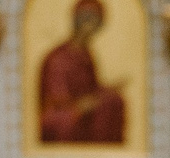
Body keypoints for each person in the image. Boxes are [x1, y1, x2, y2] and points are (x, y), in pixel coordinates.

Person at [38, 0, 128, 144]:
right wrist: (81, 105)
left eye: (95, 21)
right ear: (76, 21)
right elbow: (56, 99)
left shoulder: (86, 55)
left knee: (114, 101)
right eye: (86, 19)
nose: (90, 26)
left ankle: (108, 155)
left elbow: (91, 88)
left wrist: (108, 89)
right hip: (61, 114)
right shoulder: (58, 58)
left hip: (83, 108)